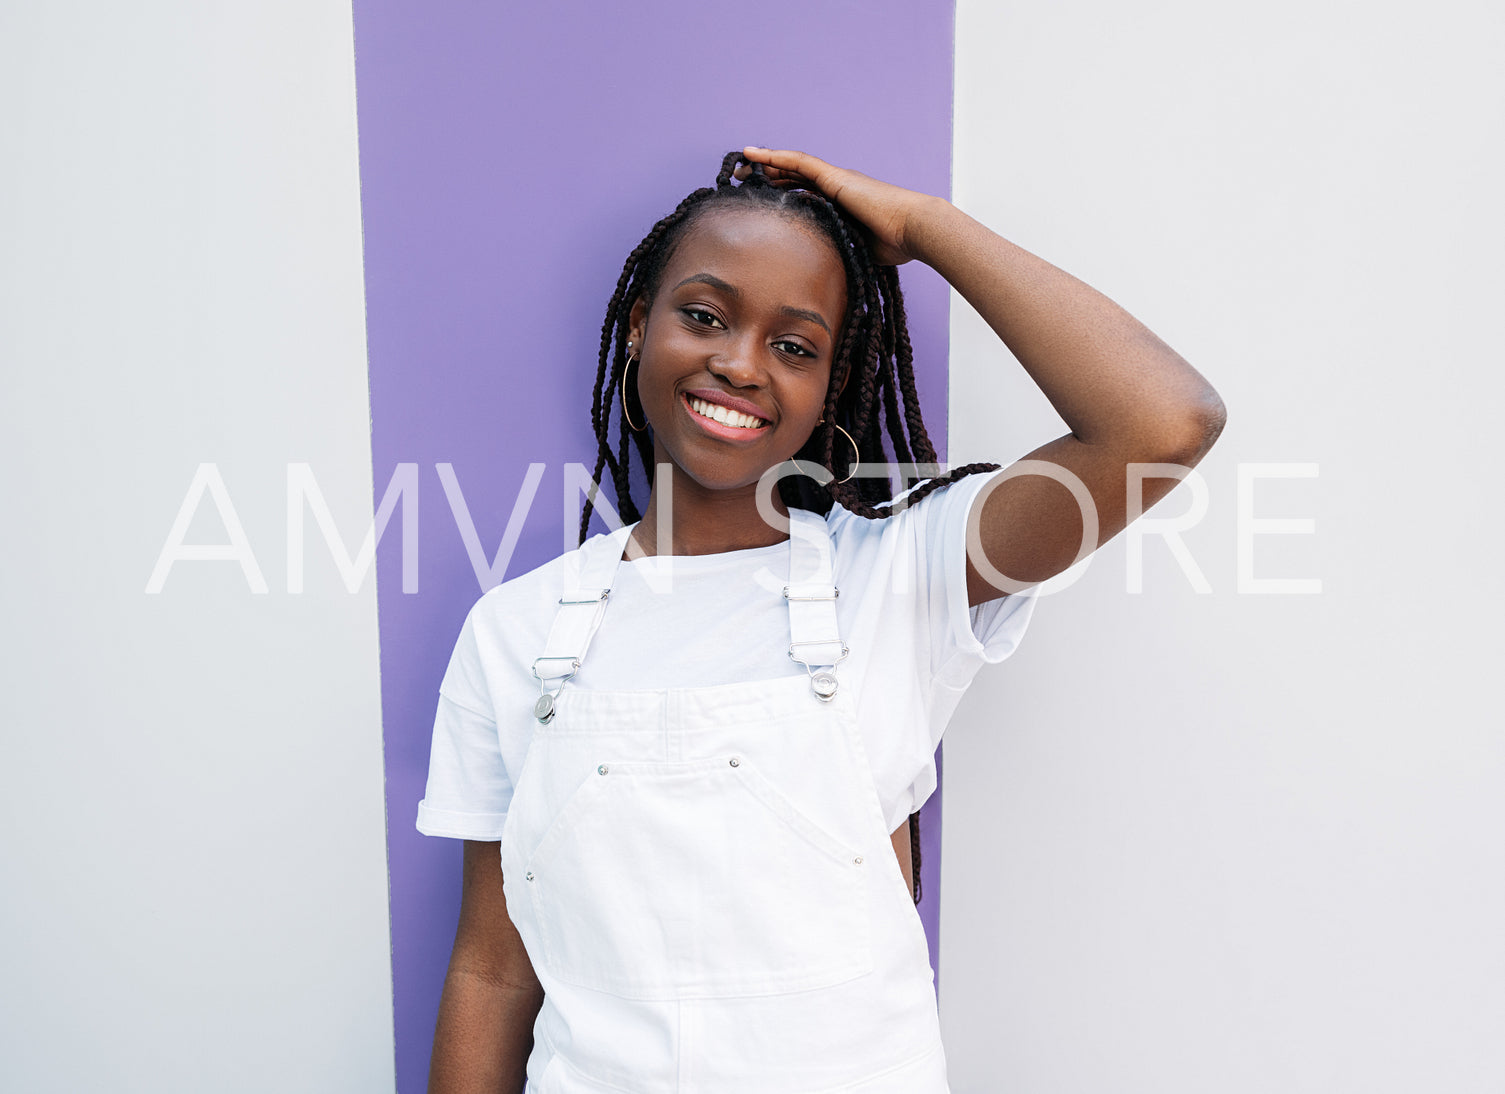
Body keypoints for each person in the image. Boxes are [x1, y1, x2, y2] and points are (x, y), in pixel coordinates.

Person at [416, 146, 1226, 1093]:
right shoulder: (516, 631)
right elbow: (491, 969)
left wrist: (925, 227)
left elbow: (1162, 425)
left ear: (832, 381)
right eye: (704, 316)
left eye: (795, 345)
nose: (738, 363)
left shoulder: (907, 573)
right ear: (638, 326)